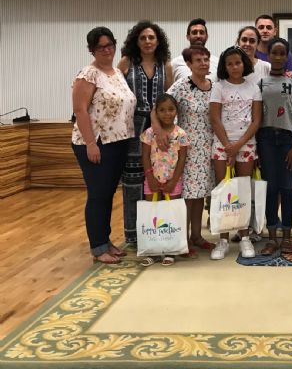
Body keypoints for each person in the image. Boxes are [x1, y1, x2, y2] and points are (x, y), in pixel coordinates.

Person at [72, 26, 136, 264]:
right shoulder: (88, 74)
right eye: (101, 46)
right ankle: (98, 248)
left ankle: (106, 240)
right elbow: (79, 110)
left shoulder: (116, 72)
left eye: (110, 45)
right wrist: (90, 143)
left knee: (108, 194)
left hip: (118, 141)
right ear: (92, 49)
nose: (107, 50)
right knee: (98, 195)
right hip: (96, 142)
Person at [118, 20, 173, 247]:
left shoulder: (165, 65)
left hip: (160, 127)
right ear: (136, 41)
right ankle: (133, 234)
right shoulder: (126, 62)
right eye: (143, 38)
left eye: (151, 37)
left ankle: (157, 230)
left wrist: (164, 125)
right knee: (132, 180)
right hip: (132, 128)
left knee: (159, 177)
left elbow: (169, 98)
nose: (147, 41)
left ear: (158, 41)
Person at [209, 46, 262, 260]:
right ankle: (222, 239)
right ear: (224, 66)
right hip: (222, 143)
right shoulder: (218, 87)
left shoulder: (253, 88)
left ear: (244, 64)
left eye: (238, 63)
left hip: (246, 144)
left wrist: (238, 145)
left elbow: (257, 120)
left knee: (242, 191)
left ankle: (244, 237)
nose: (234, 67)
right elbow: (214, 118)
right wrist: (227, 145)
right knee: (223, 191)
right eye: (229, 64)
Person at [256, 37, 292, 255]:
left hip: (287, 140)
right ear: (268, 56)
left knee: (286, 188)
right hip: (266, 139)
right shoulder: (261, 83)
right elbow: (256, 118)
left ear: (287, 57)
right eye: (273, 53)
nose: (277, 57)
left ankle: (287, 235)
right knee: (270, 189)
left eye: (281, 54)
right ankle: (272, 237)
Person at [166, 45, 215, 256]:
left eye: (206, 59)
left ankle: (197, 235)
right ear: (189, 64)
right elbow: (163, 105)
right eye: (198, 60)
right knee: (187, 195)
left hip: (208, 146)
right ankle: (182, 239)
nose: (203, 63)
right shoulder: (181, 86)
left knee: (201, 194)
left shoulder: (215, 86)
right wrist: (163, 132)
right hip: (187, 148)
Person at [139, 93, 189, 267]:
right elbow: (145, 156)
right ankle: (152, 250)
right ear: (156, 113)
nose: (167, 114)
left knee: (171, 214)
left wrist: (174, 181)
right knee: (152, 215)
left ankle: (170, 250)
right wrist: (149, 176)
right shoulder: (149, 133)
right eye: (162, 110)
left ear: (176, 111)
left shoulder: (181, 134)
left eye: (171, 109)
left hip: (172, 181)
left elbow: (182, 159)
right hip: (151, 181)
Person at [171, 18, 218, 83]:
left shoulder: (217, 62)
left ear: (206, 37)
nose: (198, 36)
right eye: (194, 32)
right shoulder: (175, 63)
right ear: (188, 37)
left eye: (201, 32)